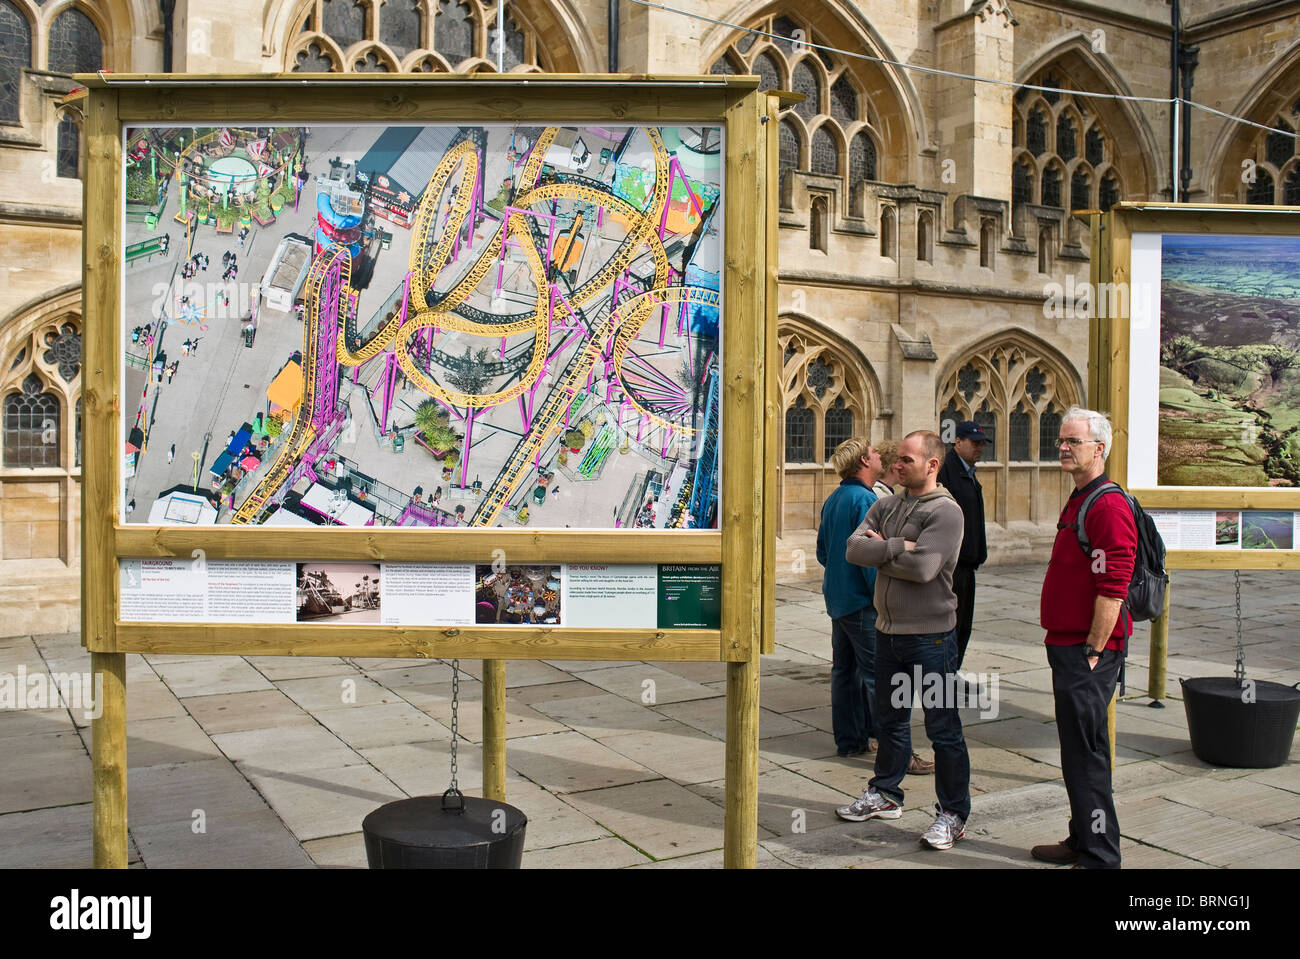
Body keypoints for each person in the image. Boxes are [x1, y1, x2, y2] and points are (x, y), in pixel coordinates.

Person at [836, 430, 970, 850]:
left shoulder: (946, 512)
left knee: (942, 728)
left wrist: (884, 552)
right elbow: (852, 550)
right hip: (888, 634)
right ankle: (886, 794)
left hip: (931, 641)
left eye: (907, 460)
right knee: (892, 722)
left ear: (932, 465)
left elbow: (925, 567)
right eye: (897, 459)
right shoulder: (885, 504)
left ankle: (952, 814)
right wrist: (899, 546)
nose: (897, 464)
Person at [1031, 407, 1135, 870]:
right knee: (1077, 752)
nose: (1064, 447)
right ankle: (1081, 838)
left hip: (1088, 651)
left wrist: (1093, 648)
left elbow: (1115, 584)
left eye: (1074, 441)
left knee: (1088, 755)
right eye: (1061, 441)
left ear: (1100, 448)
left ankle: (1099, 856)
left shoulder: (1107, 504)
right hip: (1070, 646)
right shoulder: (1082, 496)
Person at [815, 438, 883, 757]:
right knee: (878, 677)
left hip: (838, 602)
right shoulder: (866, 500)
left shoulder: (834, 498)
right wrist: (881, 600)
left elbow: (823, 552)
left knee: (844, 674)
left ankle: (850, 741)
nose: (880, 455)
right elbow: (870, 558)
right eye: (874, 452)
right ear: (865, 462)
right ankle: (895, 751)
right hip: (861, 603)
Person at [937, 420, 989, 668]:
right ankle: (945, 673)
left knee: (964, 624)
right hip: (954, 564)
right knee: (952, 624)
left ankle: (952, 671)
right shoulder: (947, 471)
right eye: (974, 443)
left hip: (969, 563)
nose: (979, 448)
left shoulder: (968, 472)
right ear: (958, 442)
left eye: (982, 444)